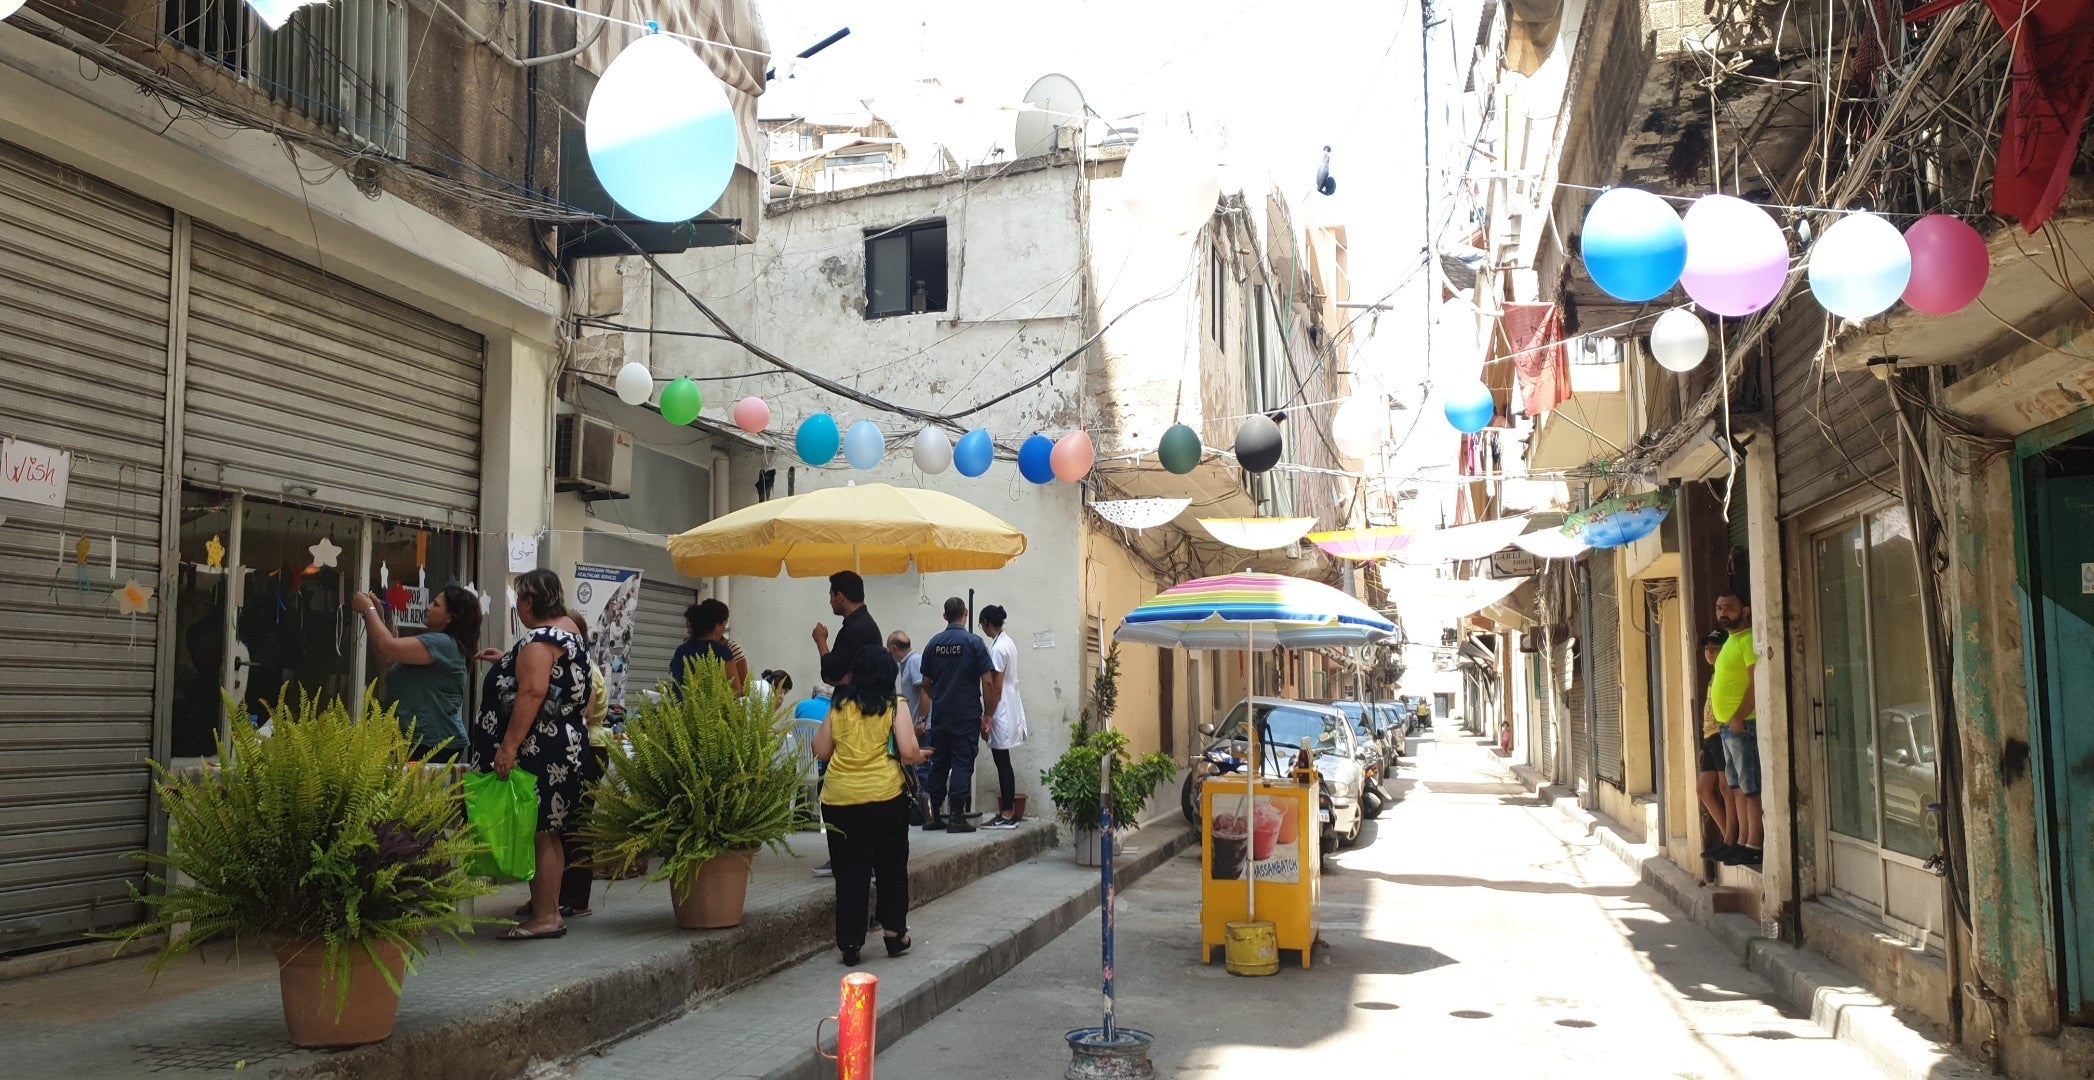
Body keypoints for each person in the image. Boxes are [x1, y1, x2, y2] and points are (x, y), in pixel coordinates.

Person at [470, 569, 591, 940]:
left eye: (519, 599)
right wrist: (508, 660)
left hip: (539, 749)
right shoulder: (568, 629)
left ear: (529, 601)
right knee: (547, 831)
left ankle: (546, 917)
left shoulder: (539, 640)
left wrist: (508, 747)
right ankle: (546, 908)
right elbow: (552, 678)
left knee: (539, 831)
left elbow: (533, 692)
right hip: (563, 744)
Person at [811, 644, 927, 966]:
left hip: (839, 799)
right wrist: (919, 755)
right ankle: (894, 934)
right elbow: (907, 750)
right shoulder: (895, 706)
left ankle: (850, 943)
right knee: (891, 866)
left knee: (849, 872)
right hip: (885, 797)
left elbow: (820, 749)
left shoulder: (839, 706)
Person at [351, 584, 479, 762]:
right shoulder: (437, 643)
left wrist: (368, 609)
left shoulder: (443, 643)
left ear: (450, 617)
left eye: (436, 605)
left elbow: (388, 648)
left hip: (431, 742)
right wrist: (377, 615)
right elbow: (387, 659)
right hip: (415, 739)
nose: (428, 607)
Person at [917, 597, 1000, 833]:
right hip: (965, 715)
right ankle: (956, 816)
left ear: (945, 616)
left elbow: (925, 683)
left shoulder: (933, 644)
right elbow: (987, 680)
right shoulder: (974, 643)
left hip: (941, 715)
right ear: (965, 613)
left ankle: (933, 815)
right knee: (962, 763)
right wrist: (987, 713)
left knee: (939, 762)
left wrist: (940, 696)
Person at [1712, 591, 1762, 868]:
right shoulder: (1730, 641)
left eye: (1729, 608)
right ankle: (1742, 842)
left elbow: (1757, 683)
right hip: (1728, 727)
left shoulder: (1747, 640)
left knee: (1750, 786)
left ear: (1745, 610)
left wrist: (1740, 716)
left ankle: (1754, 844)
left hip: (1744, 724)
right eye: (1719, 608)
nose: (1723, 613)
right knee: (1737, 787)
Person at [978, 605, 1028, 829]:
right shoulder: (1006, 642)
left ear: (987, 623)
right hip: (1008, 702)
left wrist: (988, 715)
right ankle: (1007, 811)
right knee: (1003, 761)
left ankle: (1007, 813)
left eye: (982, 625)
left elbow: (994, 686)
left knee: (1002, 761)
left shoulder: (998, 649)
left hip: (1001, 706)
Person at [1695, 628, 1737, 866]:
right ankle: (1726, 836)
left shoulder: (1726, 673)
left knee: (1726, 786)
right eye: (1707, 649)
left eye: (1715, 648)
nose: (1710, 652)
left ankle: (1731, 839)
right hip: (1710, 737)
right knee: (1704, 789)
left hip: (1722, 734)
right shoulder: (1714, 675)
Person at [813, 571, 882, 689]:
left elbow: (832, 672)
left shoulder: (856, 629)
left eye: (831, 596)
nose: (830, 601)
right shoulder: (863, 623)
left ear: (840, 597)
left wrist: (821, 641)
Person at [671, 599, 744, 693]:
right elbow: (736, 690)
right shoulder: (722, 651)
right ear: (717, 625)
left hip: (683, 706)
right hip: (714, 707)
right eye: (724, 625)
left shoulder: (681, 650)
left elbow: (676, 686)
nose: (724, 629)